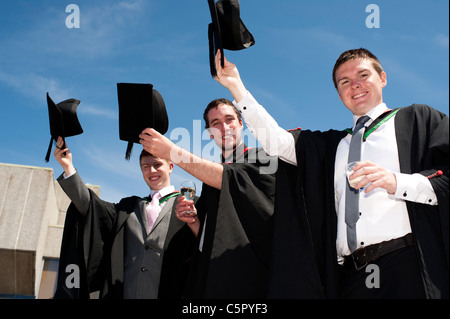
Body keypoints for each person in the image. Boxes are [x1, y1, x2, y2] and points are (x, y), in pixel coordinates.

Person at [213, 48, 449, 299]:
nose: (355, 85)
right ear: (339, 94)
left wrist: (396, 181)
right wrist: (236, 85)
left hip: (406, 266)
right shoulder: (332, 146)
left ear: (382, 78)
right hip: (350, 276)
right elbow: (276, 142)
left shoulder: (418, 120)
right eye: (344, 82)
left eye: (363, 75)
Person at [139, 98, 277, 298]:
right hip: (213, 277)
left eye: (229, 119)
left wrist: (171, 151)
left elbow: (230, 177)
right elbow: (207, 238)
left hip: (252, 279)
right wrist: (194, 222)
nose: (224, 127)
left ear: (241, 123)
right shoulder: (209, 181)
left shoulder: (263, 160)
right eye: (215, 124)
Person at [52, 136, 196, 299]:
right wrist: (68, 167)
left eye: (157, 165)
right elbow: (89, 204)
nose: (152, 171)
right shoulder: (127, 208)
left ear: (170, 166)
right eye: (146, 166)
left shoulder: (188, 205)